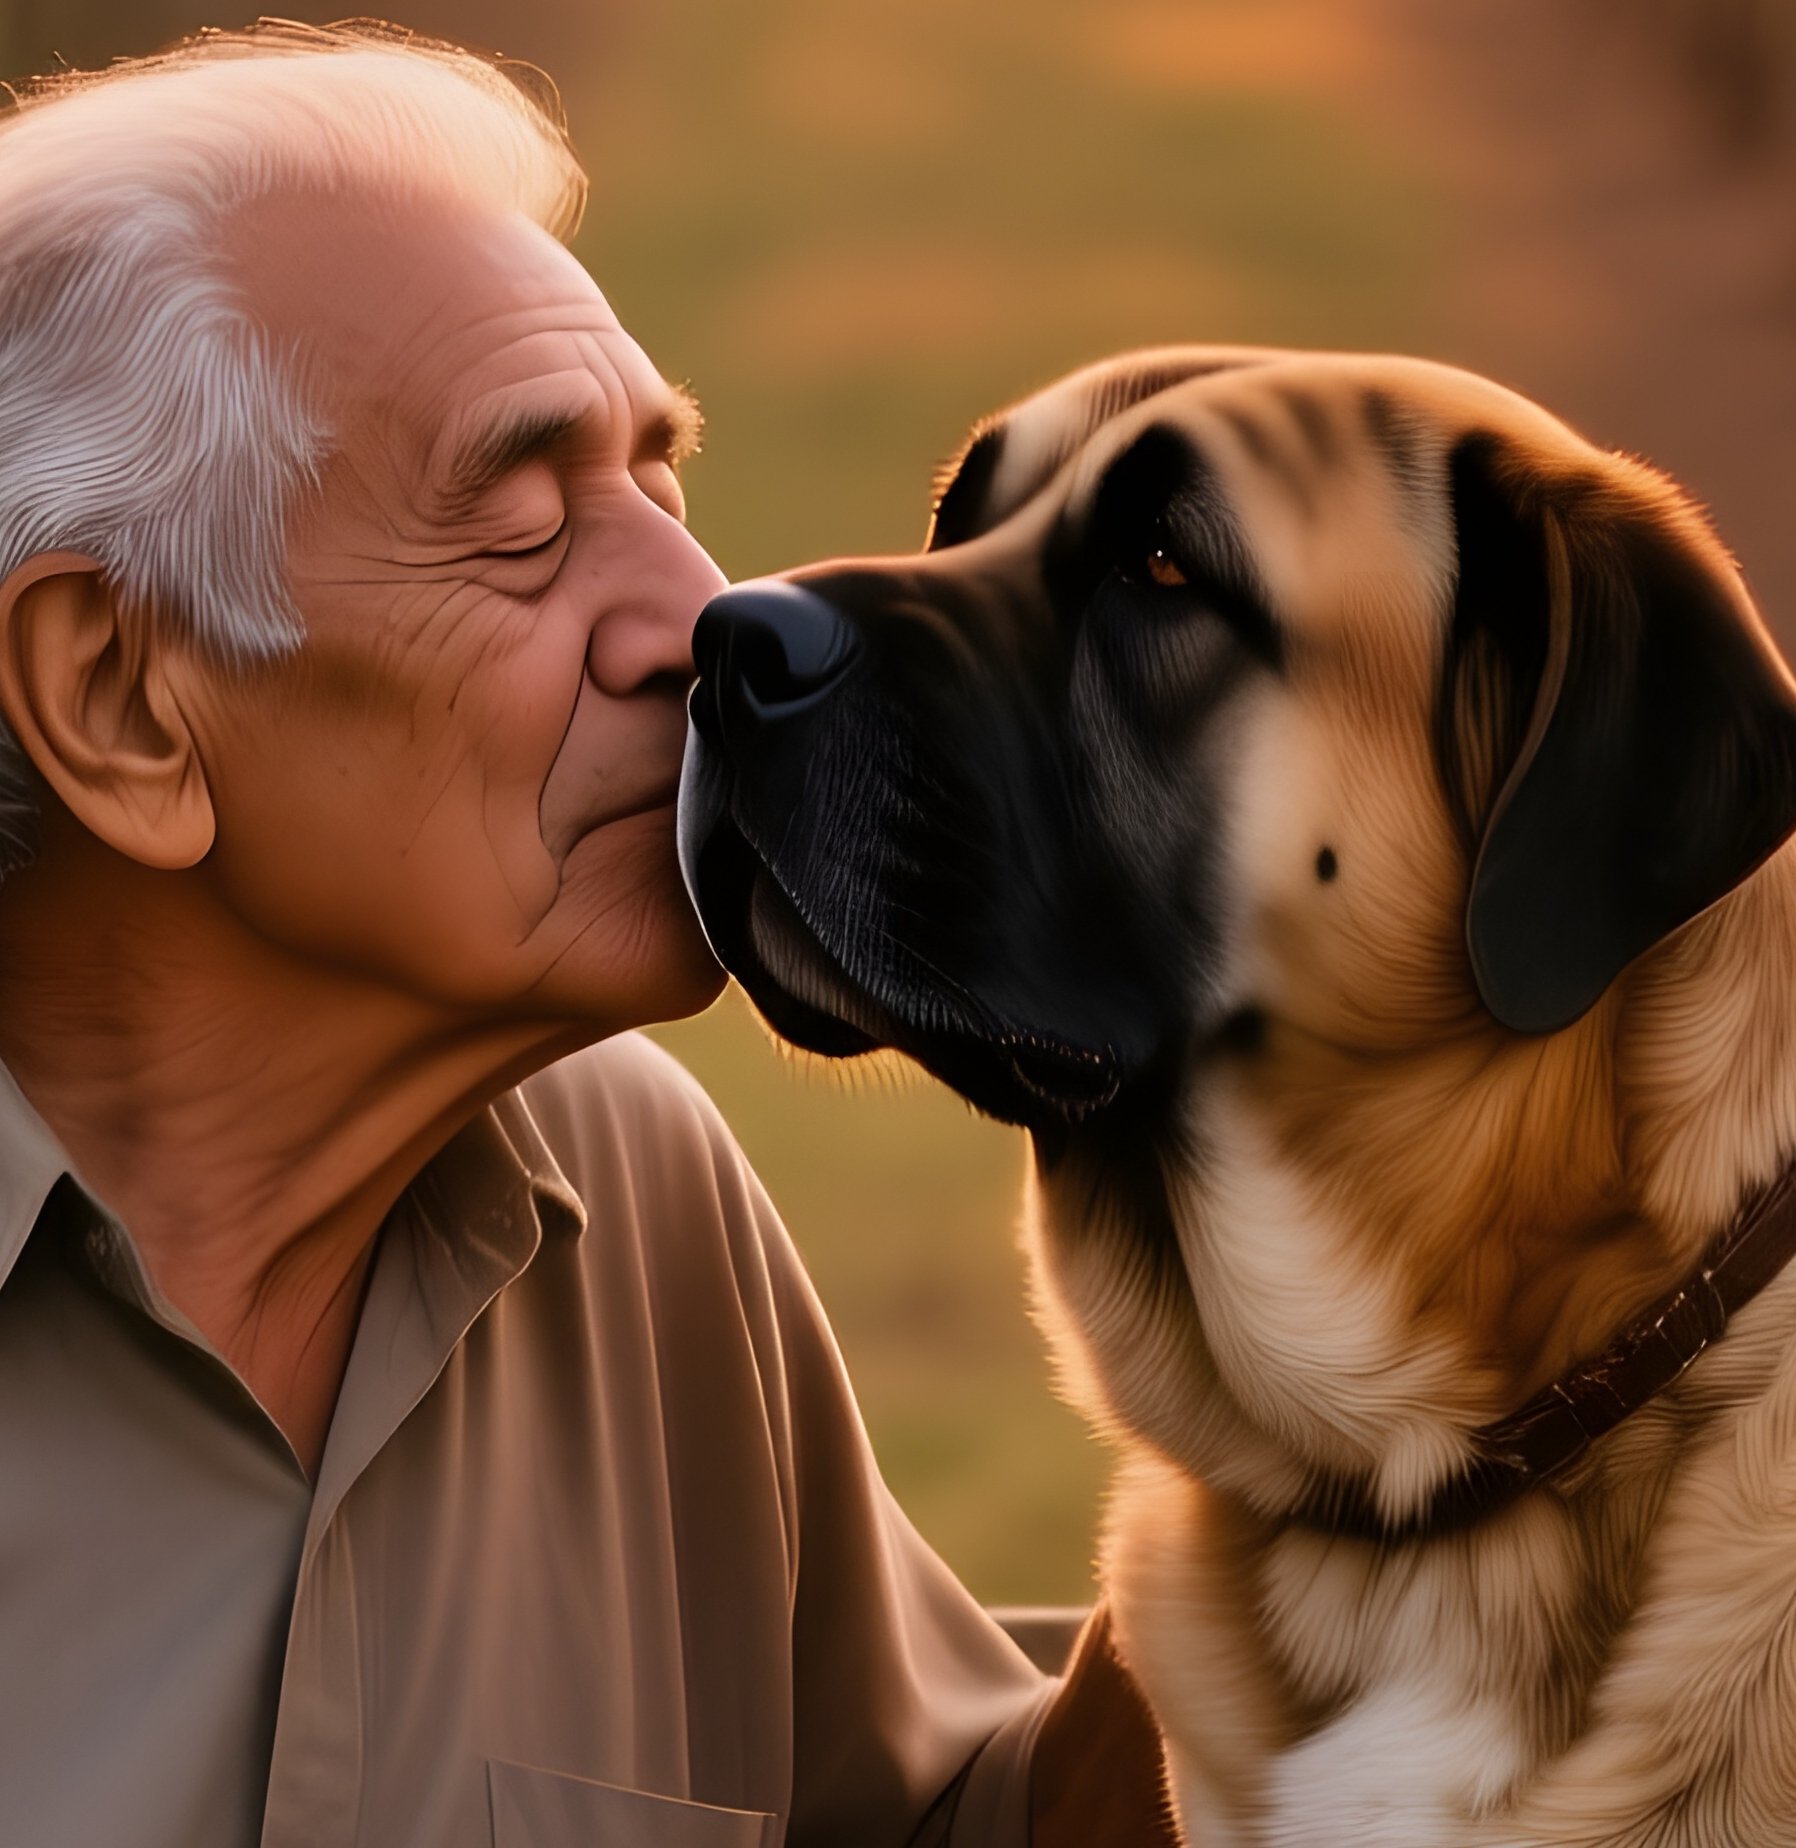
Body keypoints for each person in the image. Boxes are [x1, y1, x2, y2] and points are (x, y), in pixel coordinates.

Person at [0, 21, 1172, 1847]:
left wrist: (1317, 1441)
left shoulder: (631, 1186)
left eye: (662, 490)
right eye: (524, 527)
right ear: (120, 698)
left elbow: (954, 1829)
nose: (701, 615)